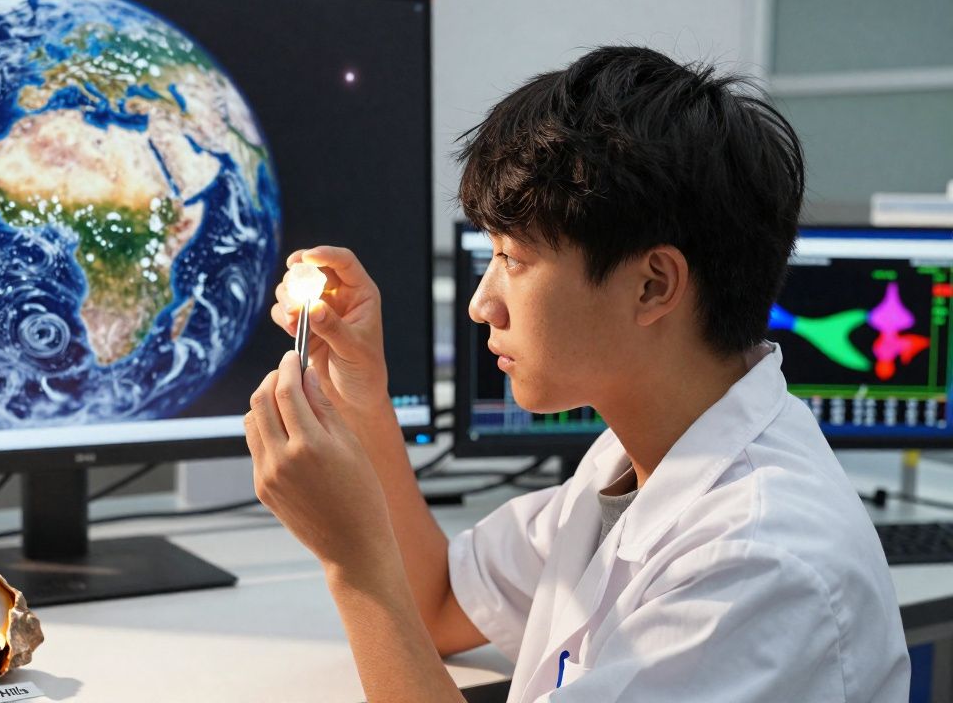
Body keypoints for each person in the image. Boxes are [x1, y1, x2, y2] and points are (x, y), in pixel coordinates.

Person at [242, 46, 910, 702]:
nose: (481, 303)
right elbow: (438, 602)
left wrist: (353, 565)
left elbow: (400, 593)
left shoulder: (756, 566)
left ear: (653, 286)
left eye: (514, 259)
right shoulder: (635, 454)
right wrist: (364, 393)